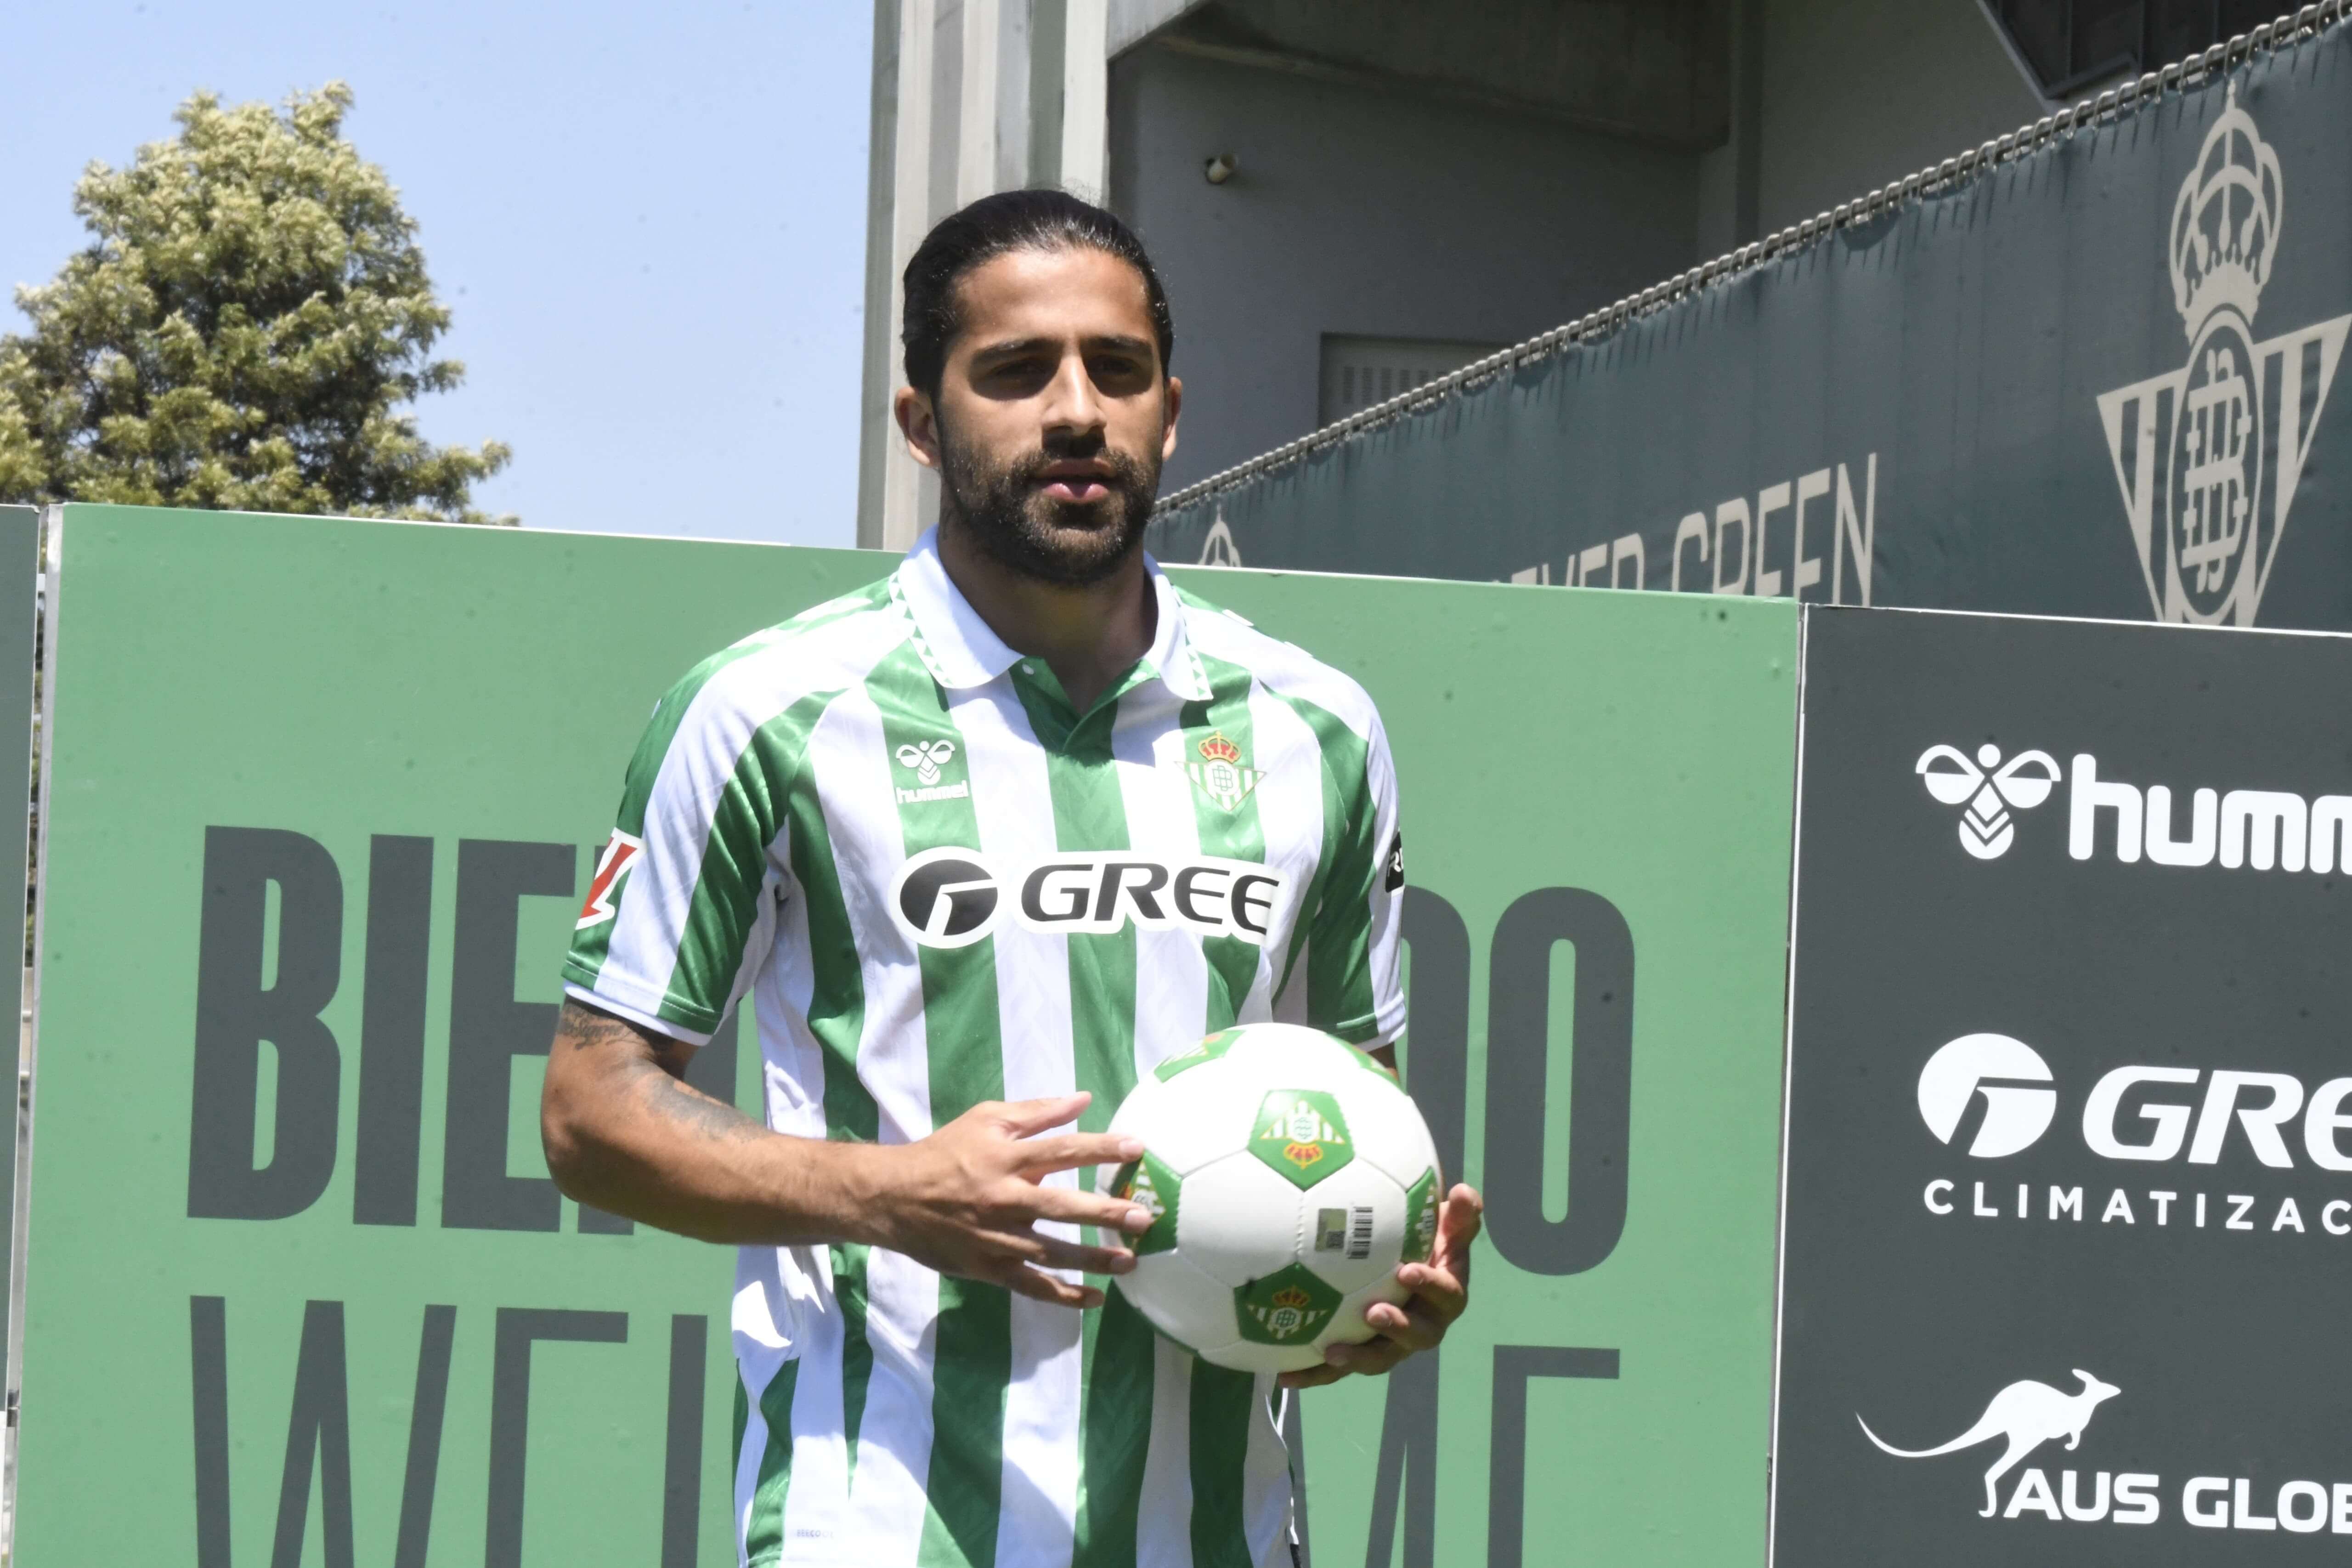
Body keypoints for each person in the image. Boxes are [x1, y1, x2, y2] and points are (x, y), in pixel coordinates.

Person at [541, 188, 1481, 1568]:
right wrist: (889, 1191)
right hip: (871, 1529)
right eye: (1015, 371)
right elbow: (590, 1108)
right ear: (922, 421)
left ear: (1172, 409)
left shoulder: (1315, 727)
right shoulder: (768, 708)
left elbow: (1358, 1107)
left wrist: (1386, 1281)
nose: (1075, 411)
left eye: (1116, 367)